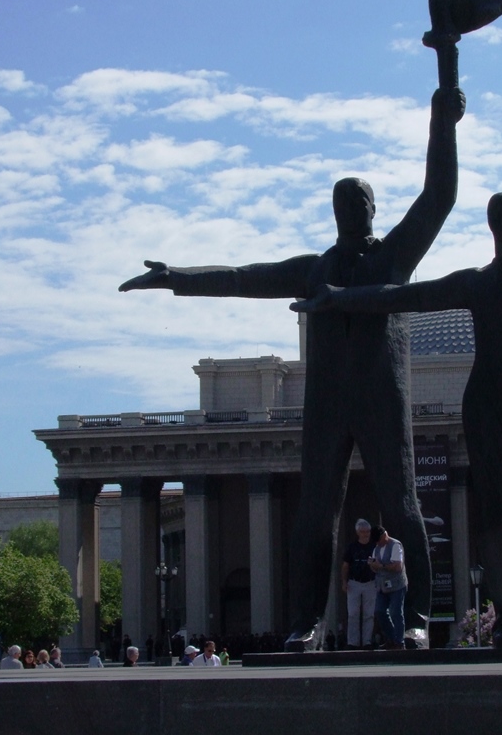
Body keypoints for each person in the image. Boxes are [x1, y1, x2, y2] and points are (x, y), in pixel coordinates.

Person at [120, 86, 465, 650]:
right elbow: (240, 276)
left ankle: (418, 619)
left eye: (357, 204)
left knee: (403, 509)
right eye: (340, 205)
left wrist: (442, 123)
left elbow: (440, 196)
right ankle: (307, 622)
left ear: (372, 210)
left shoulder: (393, 258)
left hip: (382, 398)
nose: (349, 212)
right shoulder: (314, 270)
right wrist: (177, 276)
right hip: (328, 403)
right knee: (313, 516)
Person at [293, 103, 502, 649]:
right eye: (498, 218)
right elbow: (405, 296)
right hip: (488, 408)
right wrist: (339, 299)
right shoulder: (475, 282)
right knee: (501, 517)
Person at [342, 519, 378, 649]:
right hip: (354, 582)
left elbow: (379, 565)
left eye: (367, 531)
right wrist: (344, 581)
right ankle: (353, 642)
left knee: (369, 613)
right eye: (362, 532)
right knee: (353, 614)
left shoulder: (374, 547)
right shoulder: (352, 547)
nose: (365, 534)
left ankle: (367, 641)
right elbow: (345, 566)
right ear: (357, 532)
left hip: (370, 582)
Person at [370, 526, 407, 649]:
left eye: (378, 540)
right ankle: (391, 638)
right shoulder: (376, 548)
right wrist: (372, 565)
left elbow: (397, 566)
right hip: (382, 586)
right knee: (379, 611)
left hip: (397, 585)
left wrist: (381, 566)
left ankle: (399, 641)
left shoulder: (395, 545)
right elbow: (375, 567)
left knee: (396, 612)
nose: (377, 543)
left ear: (384, 535)